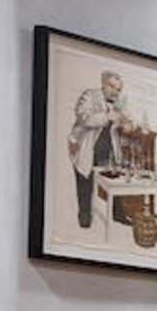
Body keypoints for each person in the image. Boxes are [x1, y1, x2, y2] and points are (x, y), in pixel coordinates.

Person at [64, 68, 138, 233]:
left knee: (115, 180)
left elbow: (129, 119)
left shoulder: (119, 101)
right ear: (103, 84)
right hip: (86, 146)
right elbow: (84, 117)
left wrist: (128, 125)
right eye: (112, 87)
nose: (115, 92)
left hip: (108, 150)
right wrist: (107, 117)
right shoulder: (89, 95)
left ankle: (117, 214)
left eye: (118, 89)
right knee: (85, 180)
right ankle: (84, 215)